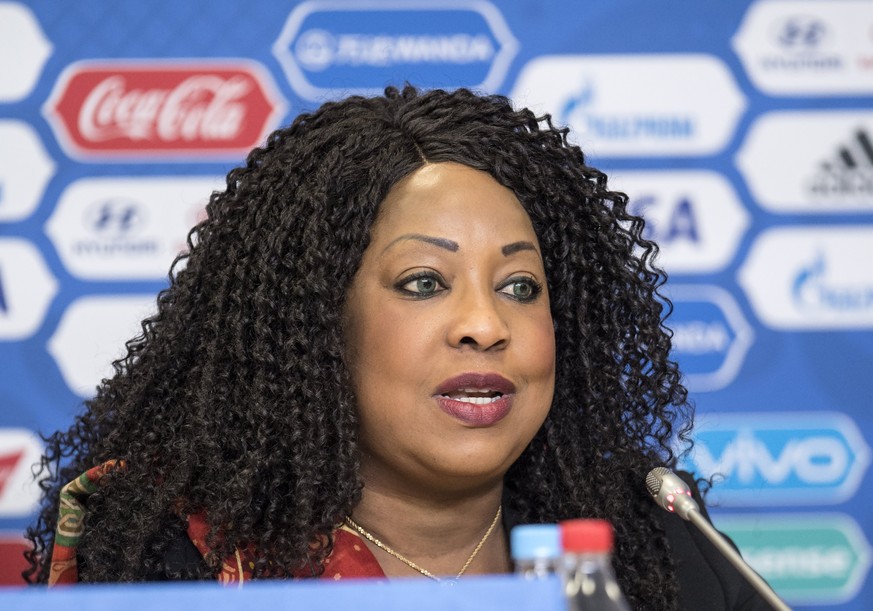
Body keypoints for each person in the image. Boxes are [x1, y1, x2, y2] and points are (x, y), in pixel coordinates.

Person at [24, 85, 768, 610]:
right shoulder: (180, 553)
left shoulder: (650, 534)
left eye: (518, 285)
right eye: (422, 281)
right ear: (316, 325)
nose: (485, 324)